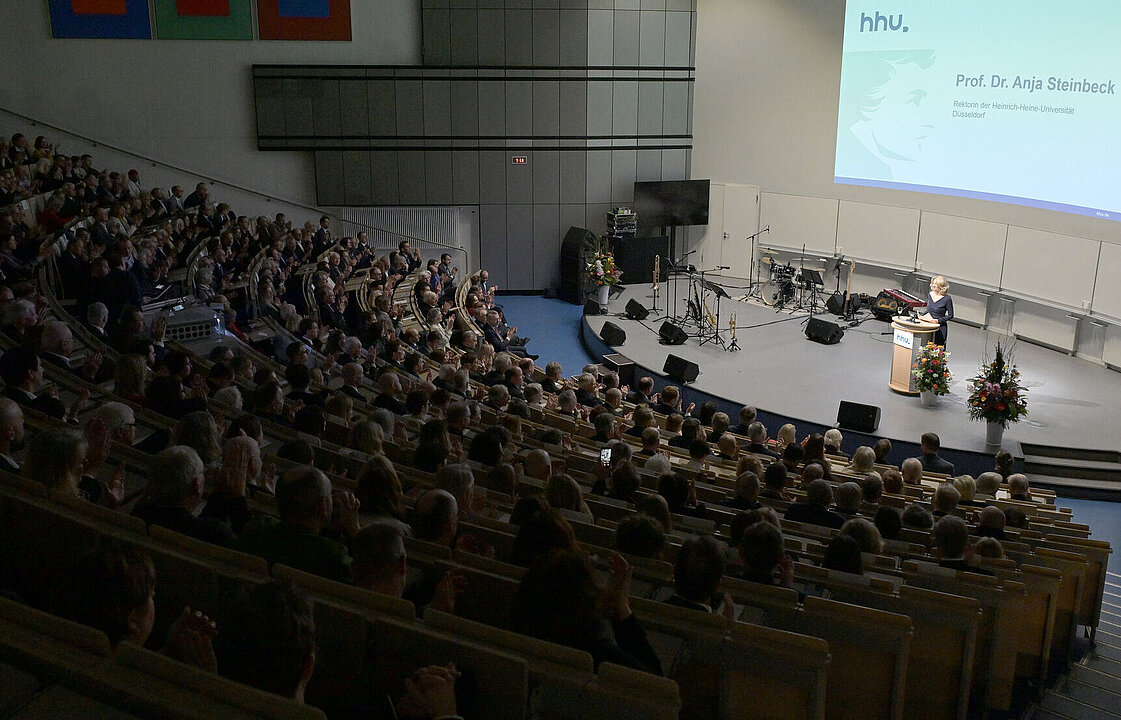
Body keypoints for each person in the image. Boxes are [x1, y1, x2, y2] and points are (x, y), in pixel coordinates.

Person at [510, 549, 662, 675]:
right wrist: (622, 607)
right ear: (584, 600)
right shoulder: (598, 655)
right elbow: (655, 680)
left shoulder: (515, 639)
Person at [920, 276, 954, 346]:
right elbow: (929, 310)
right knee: (926, 346)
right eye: (933, 283)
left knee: (937, 347)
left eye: (936, 284)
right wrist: (922, 317)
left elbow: (951, 315)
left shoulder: (947, 299)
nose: (933, 285)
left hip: (939, 327)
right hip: (929, 325)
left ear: (941, 286)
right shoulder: (930, 294)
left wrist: (938, 321)